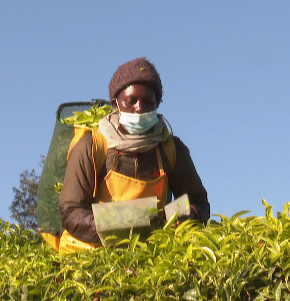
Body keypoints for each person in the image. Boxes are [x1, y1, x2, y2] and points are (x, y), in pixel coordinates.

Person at [58, 57, 210, 253]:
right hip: (95, 251)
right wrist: (121, 232)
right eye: (131, 101)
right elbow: (71, 212)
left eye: (148, 101)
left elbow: (198, 201)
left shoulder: (172, 149)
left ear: (157, 104)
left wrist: (182, 217)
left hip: (151, 253)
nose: (139, 107)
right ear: (116, 104)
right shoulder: (92, 145)